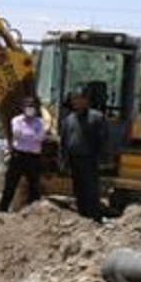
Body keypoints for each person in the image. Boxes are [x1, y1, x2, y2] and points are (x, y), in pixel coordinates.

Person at [59, 89, 107, 222]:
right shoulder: (68, 120)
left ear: (86, 100)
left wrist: (101, 159)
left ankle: (95, 220)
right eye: (74, 99)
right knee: (78, 191)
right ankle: (83, 219)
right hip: (74, 161)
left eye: (80, 98)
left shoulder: (96, 117)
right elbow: (64, 143)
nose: (76, 102)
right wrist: (63, 162)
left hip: (90, 161)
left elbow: (102, 140)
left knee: (91, 191)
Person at [0, 96, 45, 212]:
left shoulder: (40, 122)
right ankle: (2, 209)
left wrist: (26, 136)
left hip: (34, 158)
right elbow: (17, 134)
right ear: (22, 107)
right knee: (10, 184)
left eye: (32, 106)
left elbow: (41, 137)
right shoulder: (16, 120)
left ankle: (34, 211)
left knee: (34, 186)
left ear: (36, 108)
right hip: (18, 156)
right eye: (28, 106)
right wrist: (33, 135)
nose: (30, 108)